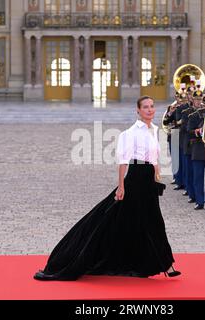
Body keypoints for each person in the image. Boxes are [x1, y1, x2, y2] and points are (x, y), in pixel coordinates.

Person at [34, 96, 181, 281]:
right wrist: (121, 186)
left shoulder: (155, 130)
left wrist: (156, 173)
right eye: (145, 107)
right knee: (122, 219)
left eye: (152, 106)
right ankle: (68, 259)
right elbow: (123, 161)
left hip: (149, 181)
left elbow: (153, 157)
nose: (150, 110)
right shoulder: (131, 133)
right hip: (135, 178)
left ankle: (153, 263)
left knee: (137, 221)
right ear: (138, 110)